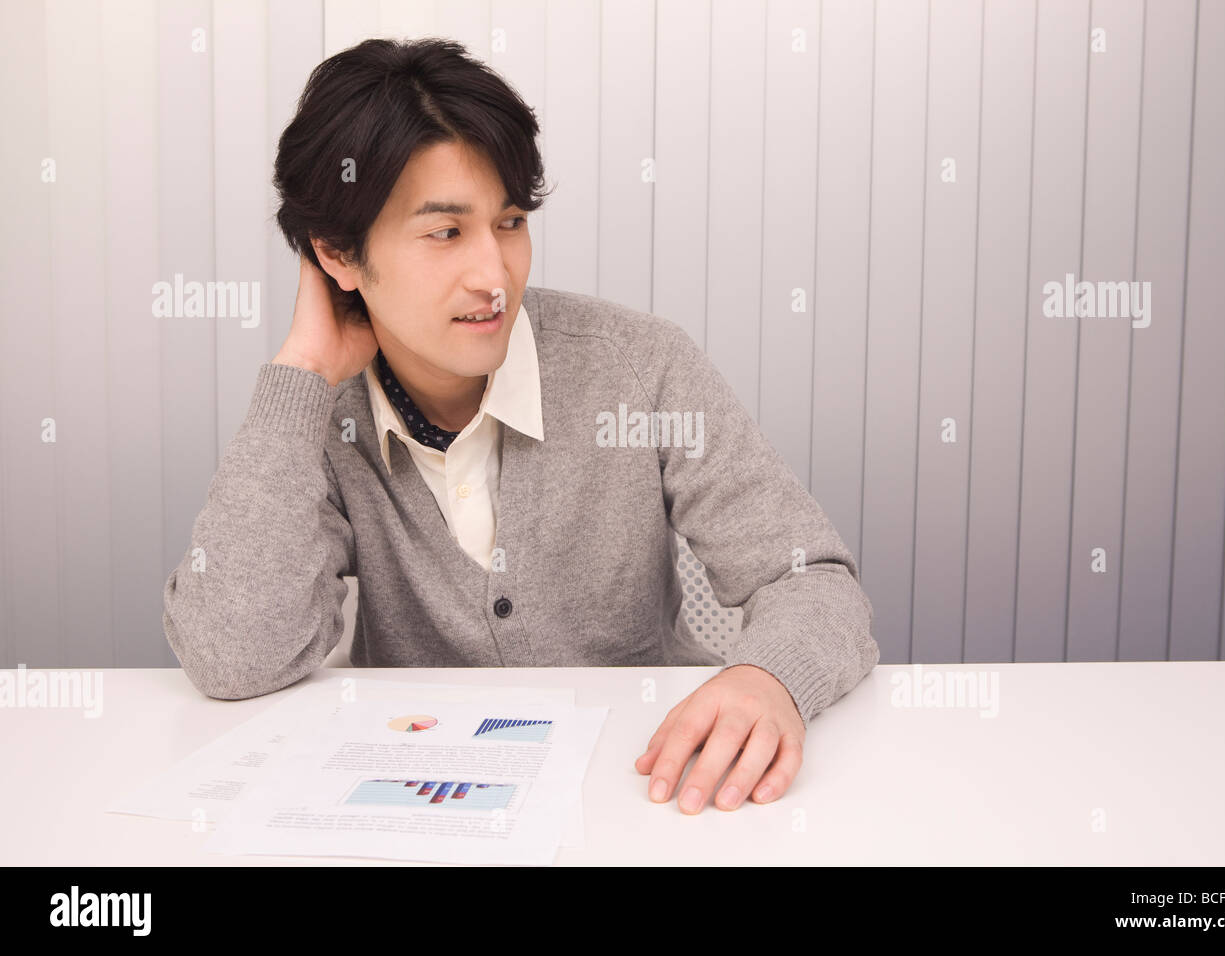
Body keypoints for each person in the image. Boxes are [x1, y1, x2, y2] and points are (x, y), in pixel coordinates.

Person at [163, 36, 878, 816]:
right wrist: (299, 373)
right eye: (445, 233)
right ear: (339, 253)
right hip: (419, 808)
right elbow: (232, 657)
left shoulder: (639, 367)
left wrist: (769, 677)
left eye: (508, 224)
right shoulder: (320, 421)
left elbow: (811, 578)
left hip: (645, 796)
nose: (494, 276)